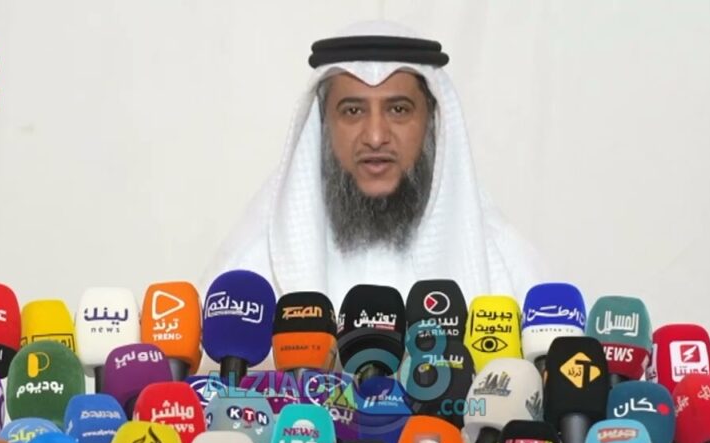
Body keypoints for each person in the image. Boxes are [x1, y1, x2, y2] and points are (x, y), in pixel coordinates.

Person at [204, 20, 546, 306]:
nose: (376, 136)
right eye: (353, 111)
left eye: (398, 110)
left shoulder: (504, 265)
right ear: (323, 125)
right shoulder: (251, 273)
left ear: (432, 121)